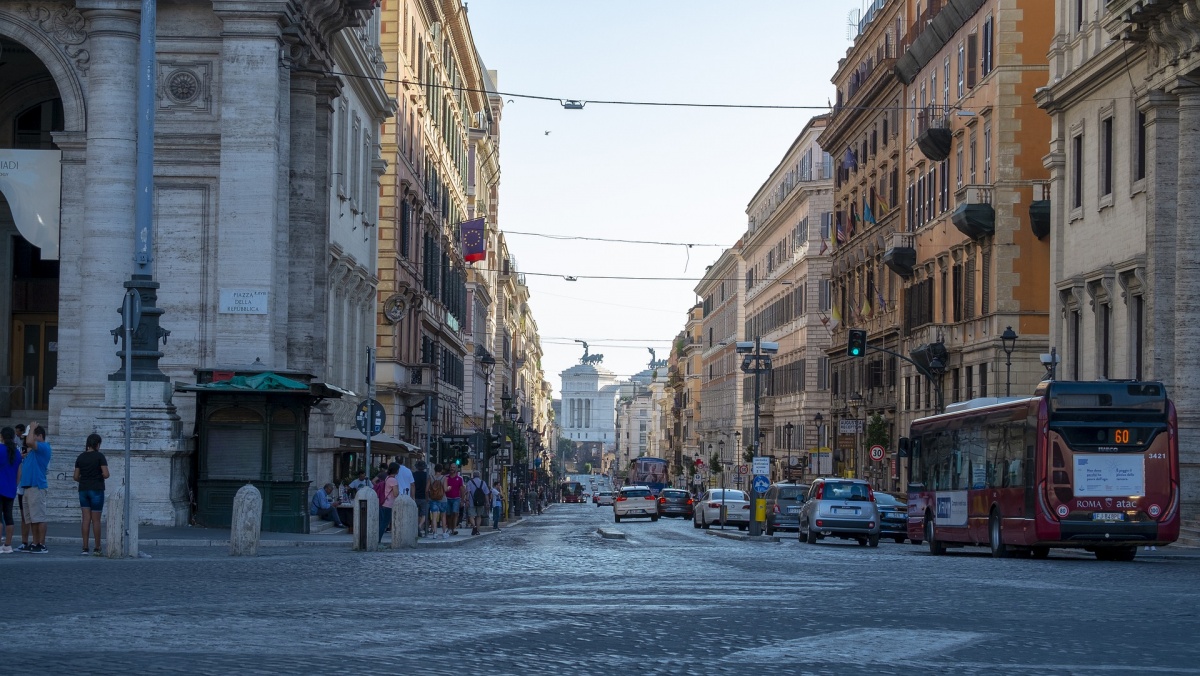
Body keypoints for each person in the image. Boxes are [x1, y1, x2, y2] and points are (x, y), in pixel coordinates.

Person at [74, 433, 109, 556]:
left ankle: (85, 547)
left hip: (83, 489)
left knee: (85, 519)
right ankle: (97, 547)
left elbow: (75, 476)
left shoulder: (80, 457)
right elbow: (106, 474)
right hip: (96, 489)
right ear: (97, 444)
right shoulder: (100, 456)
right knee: (96, 520)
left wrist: (85, 479)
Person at [19, 423, 52, 553]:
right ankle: (35, 542)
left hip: (36, 486)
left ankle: (42, 544)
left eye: (32, 435)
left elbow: (29, 442)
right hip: (28, 487)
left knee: (39, 518)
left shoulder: (43, 447)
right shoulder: (32, 451)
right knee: (33, 519)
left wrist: (32, 428)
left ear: (39, 436)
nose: (28, 439)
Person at [0, 428, 21, 554]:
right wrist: (15, 485)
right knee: (8, 517)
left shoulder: (0, 449)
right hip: (11, 488)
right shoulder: (17, 453)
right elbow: (19, 472)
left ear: (2, 436)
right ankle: (7, 545)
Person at [12, 425, 28, 552]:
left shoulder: (37, 450)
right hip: (22, 486)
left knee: (32, 516)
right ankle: (25, 542)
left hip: (31, 485)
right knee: (24, 515)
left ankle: (37, 542)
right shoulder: (19, 448)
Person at [465, 470, 489, 536]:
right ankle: (477, 530)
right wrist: (487, 502)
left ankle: (474, 526)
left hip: (471, 502)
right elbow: (486, 493)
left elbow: (468, 492)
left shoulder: (470, 482)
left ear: (473, 475)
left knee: (471, 516)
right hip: (480, 502)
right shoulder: (483, 483)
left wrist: (467, 500)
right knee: (479, 516)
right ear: (479, 476)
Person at [379, 463, 399, 544]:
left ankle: (378, 539)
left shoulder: (387, 478)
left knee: (383, 522)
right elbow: (395, 493)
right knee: (384, 523)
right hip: (390, 504)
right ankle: (378, 540)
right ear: (396, 470)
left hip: (385, 503)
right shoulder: (393, 480)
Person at [427, 464, 448, 539]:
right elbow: (445, 489)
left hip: (433, 499)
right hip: (442, 499)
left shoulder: (431, 477)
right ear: (441, 470)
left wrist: (427, 497)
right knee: (443, 516)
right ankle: (444, 533)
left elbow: (426, 489)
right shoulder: (444, 478)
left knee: (434, 517)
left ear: (434, 469)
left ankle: (435, 533)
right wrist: (449, 488)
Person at [444, 465, 465, 536]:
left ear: (456, 469)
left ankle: (454, 528)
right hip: (447, 498)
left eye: (453, 467)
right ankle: (449, 528)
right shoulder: (446, 477)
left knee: (455, 513)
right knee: (448, 514)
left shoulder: (459, 478)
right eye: (451, 467)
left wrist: (462, 500)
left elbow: (462, 489)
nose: (452, 469)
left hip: (456, 498)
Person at [412, 460, 429, 537]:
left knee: (417, 514)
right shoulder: (426, 475)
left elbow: (412, 485)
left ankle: (417, 527)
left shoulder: (414, 475)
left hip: (415, 496)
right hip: (424, 497)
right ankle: (419, 526)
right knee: (424, 514)